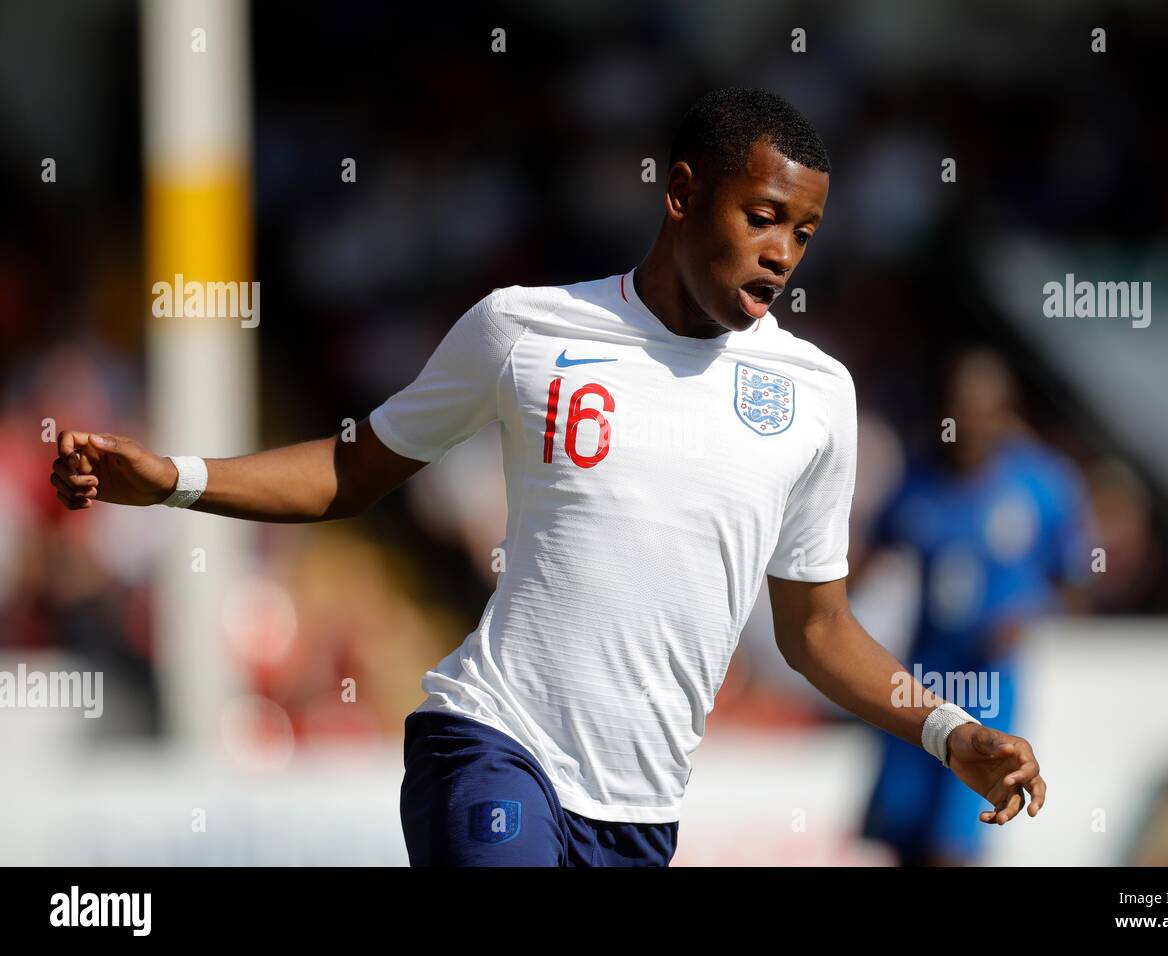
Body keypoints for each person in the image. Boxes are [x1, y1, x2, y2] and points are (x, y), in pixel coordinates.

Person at [48, 88, 1045, 867]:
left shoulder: (817, 395)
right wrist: (171, 477)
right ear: (683, 191)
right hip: (491, 743)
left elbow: (818, 628)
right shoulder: (524, 329)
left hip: (638, 814)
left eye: (804, 233)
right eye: (762, 216)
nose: (782, 251)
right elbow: (352, 473)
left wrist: (951, 730)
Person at [857, 348, 1088, 866]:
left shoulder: (1042, 485)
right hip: (917, 682)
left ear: (1005, 412)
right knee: (902, 838)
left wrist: (1028, 613)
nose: (967, 423)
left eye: (981, 409)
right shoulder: (918, 481)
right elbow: (866, 562)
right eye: (956, 409)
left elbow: (1075, 581)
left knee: (954, 842)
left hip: (987, 686)